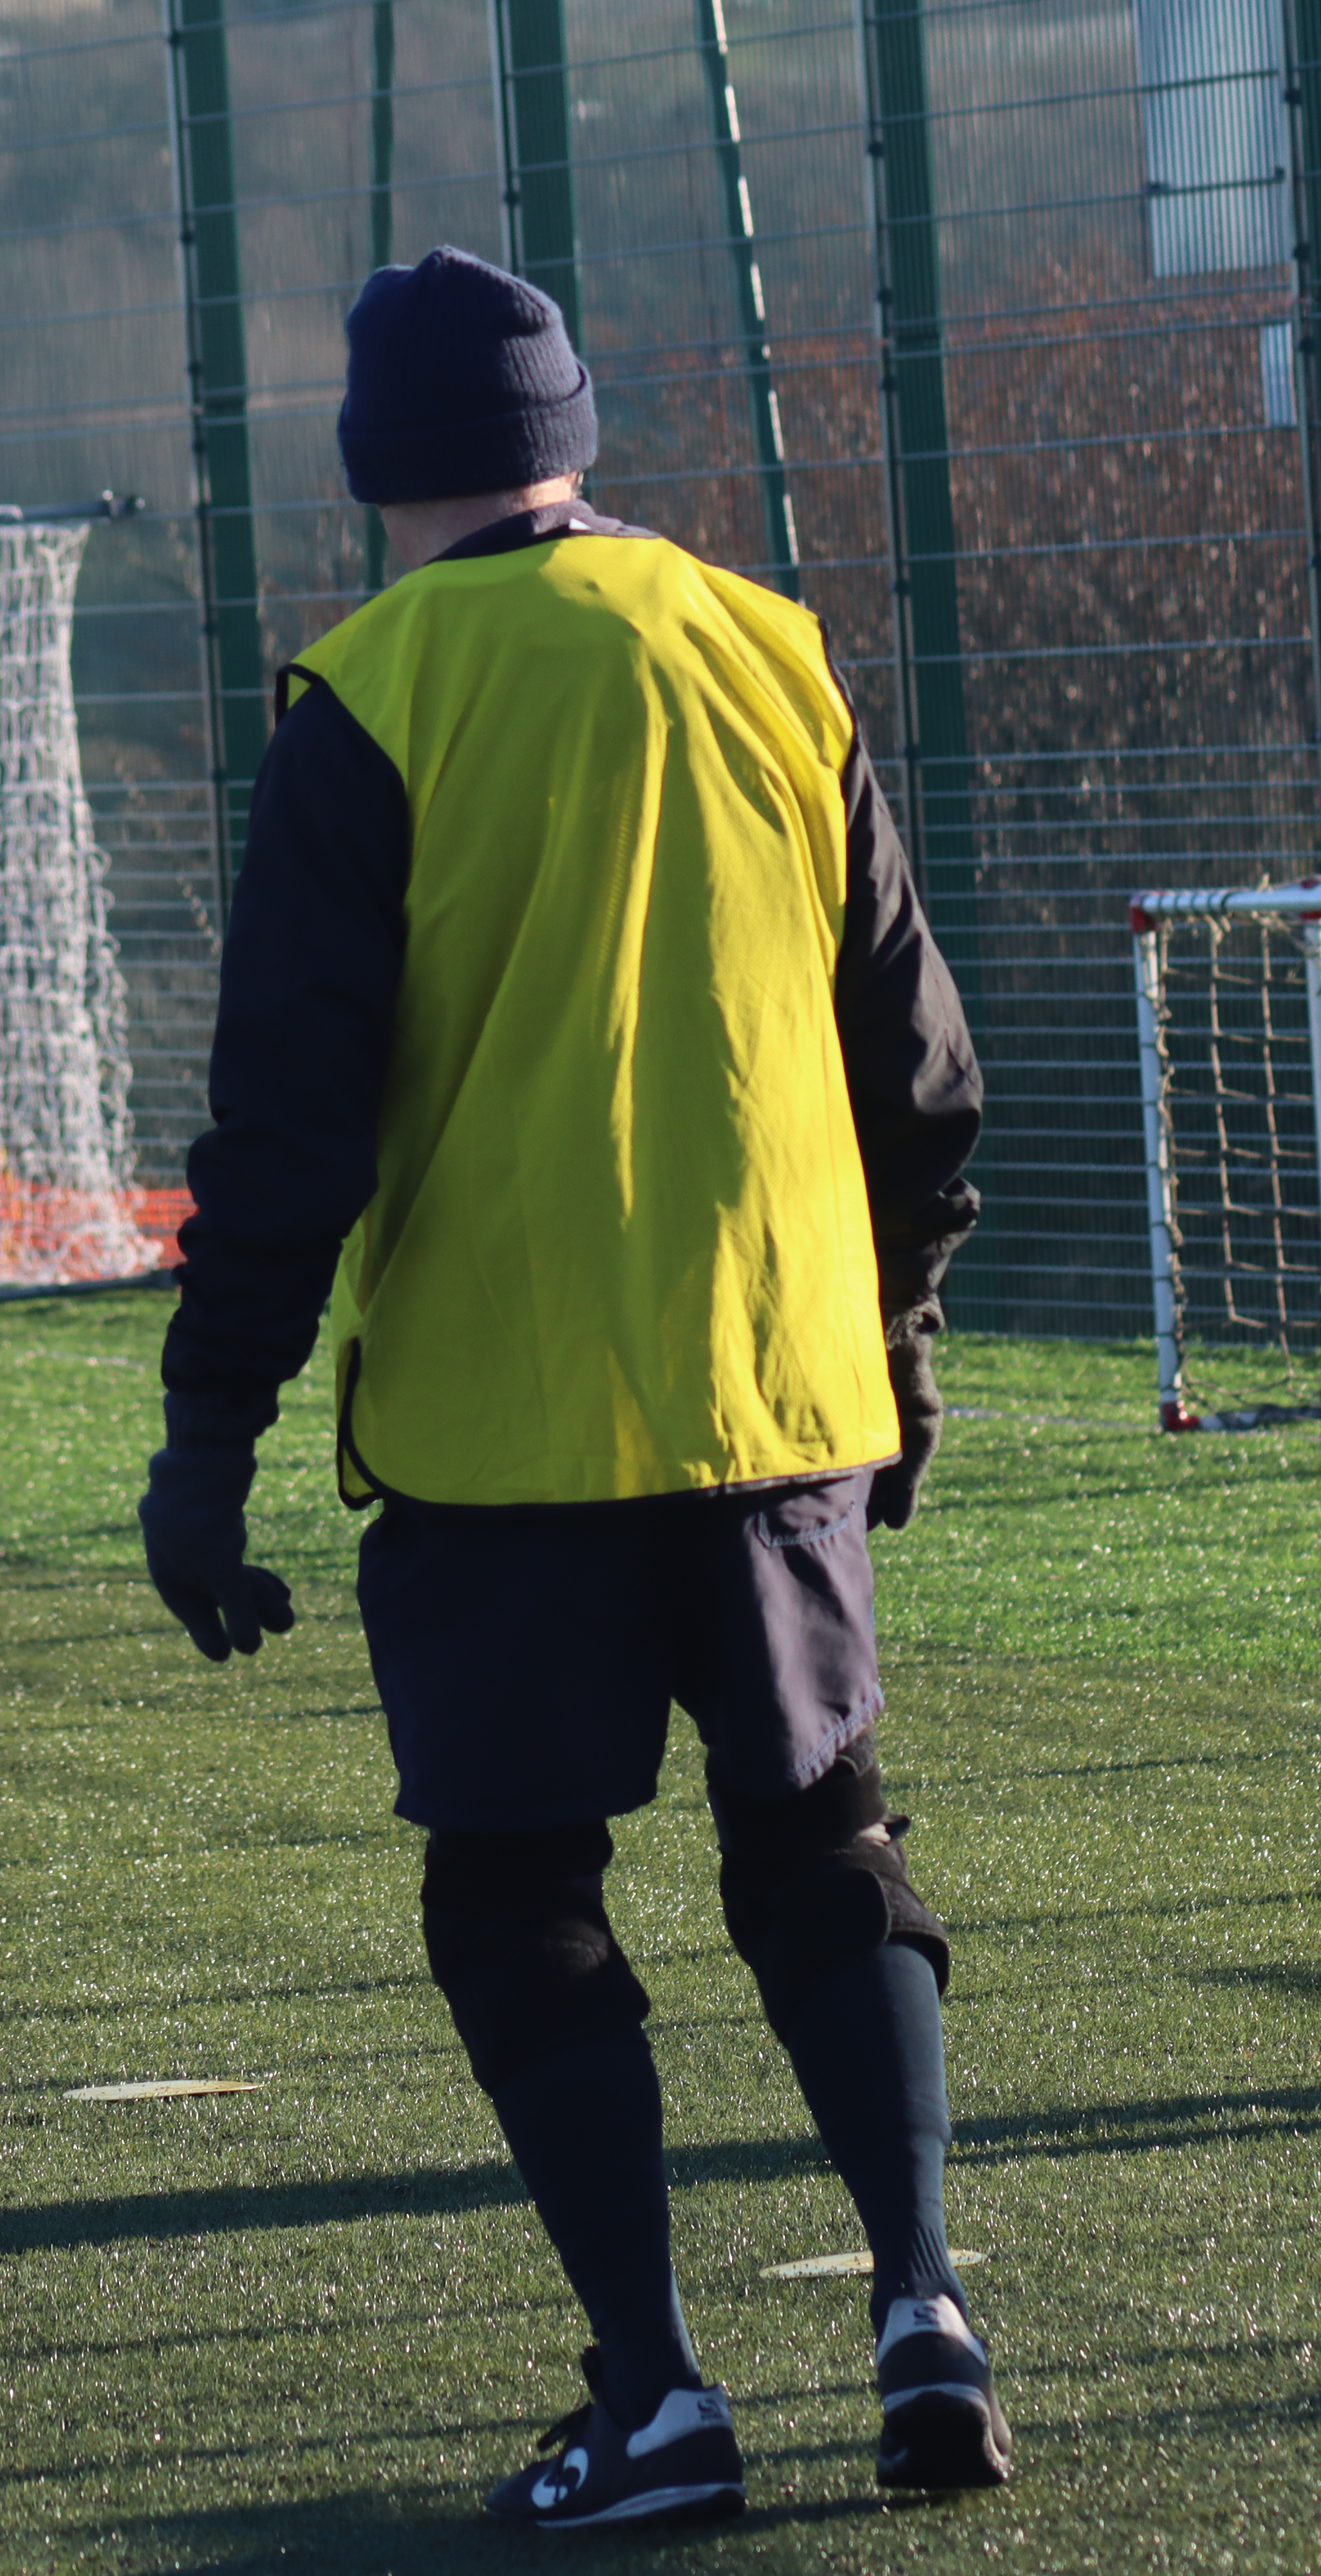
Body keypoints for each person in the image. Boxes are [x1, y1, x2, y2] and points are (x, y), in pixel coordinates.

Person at [131, 246, 1007, 2524]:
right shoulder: (768, 646)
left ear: (373, 468)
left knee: (518, 1892)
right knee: (826, 1839)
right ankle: (925, 2309)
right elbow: (919, 1078)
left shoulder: (377, 689)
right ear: (576, 434)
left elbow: (291, 1124)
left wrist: (207, 1438)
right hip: (773, 1393)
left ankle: (657, 2401)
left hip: (509, 1423)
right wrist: (886, 1357)